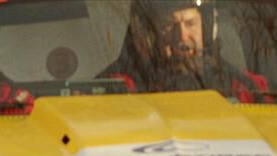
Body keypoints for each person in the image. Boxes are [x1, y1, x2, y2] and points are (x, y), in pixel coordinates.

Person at [102, 0, 268, 102]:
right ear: (149, 36)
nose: (182, 36)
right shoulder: (118, 89)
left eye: (190, 24)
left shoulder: (244, 88)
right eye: (168, 25)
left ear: (208, 29)